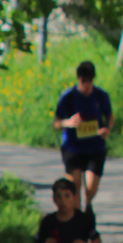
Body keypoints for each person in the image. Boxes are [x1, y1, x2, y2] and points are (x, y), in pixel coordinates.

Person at [52, 58, 112, 208]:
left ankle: (88, 205)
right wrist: (68, 123)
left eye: (89, 81)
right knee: (74, 186)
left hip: (95, 148)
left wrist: (107, 129)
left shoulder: (101, 96)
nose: (86, 85)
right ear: (78, 79)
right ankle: (78, 215)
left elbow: (109, 116)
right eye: (83, 81)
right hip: (72, 148)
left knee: (90, 188)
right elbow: (56, 122)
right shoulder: (68, 97)